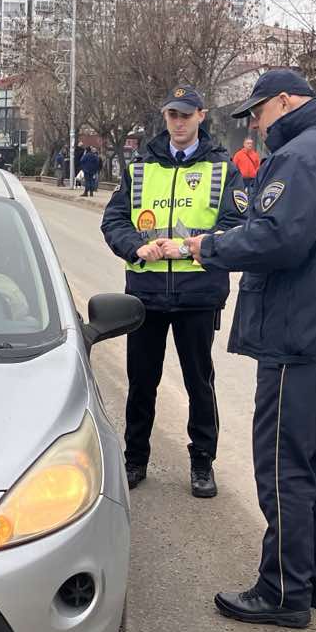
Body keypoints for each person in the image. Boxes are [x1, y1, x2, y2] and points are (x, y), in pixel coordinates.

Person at [182, 69, 316, 628]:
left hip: (301, 332)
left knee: (283, 463)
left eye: (260, 111)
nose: (255, 124)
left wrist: (208, 246)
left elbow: (277, 238)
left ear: (287, 101)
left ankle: (281, 590)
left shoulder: (301, 155)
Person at [101, 85, 247, 498]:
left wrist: (187, 247)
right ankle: (135, 460)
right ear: (165, 117)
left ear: (201, 115)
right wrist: (136, 246)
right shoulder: (141, 166)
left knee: (198, 383)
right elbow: (114, 220)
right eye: (172, 115)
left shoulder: (222, 167)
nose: (178, 122)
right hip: (146, 294)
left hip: (197, 294)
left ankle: (202, 462)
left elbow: (237, 226)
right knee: (141, 382)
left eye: (185, 114)